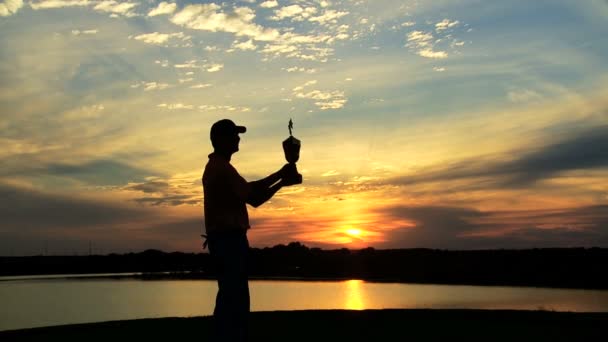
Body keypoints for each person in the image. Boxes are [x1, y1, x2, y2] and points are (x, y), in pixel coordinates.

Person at [202, 119, 300, 341]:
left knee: (229, 298)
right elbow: (254, 198)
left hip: (226, 241)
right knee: (234, 300)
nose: (238, 139)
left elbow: (248, 189)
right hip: (228, 242)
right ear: (221, 140)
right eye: (234, 135)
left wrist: (279, 175)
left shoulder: (220, 167)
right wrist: (282, 183)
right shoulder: (221, 168)